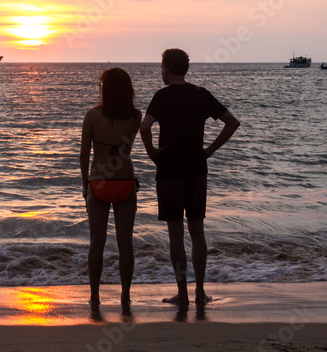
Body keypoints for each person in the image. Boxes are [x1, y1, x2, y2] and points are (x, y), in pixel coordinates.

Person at [140, 48, 240, 309]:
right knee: (197, 231)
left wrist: (152, 153)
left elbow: (144, 126)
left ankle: (182, 293)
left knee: (175, 234)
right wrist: (209, 150)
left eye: (161, 67)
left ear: (165, 69)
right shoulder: (200, 95)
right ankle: (200, 292)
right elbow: (231, 122)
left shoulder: (161, 97)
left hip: (170, 170)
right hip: (197, 169)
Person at [80, 67, 142, 311]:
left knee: (97, 243)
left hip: (99, 183)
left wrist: (85, 183)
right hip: (126, 181)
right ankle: (125, 296)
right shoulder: (136, 116)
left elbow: (84, 154)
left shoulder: (92, 116)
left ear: (104, 89)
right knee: (125, 243)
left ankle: (95, 297)